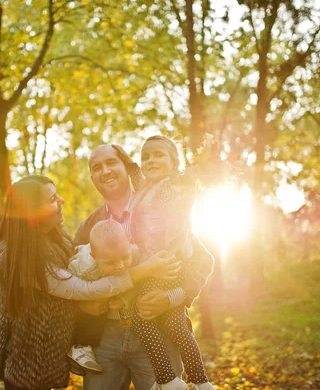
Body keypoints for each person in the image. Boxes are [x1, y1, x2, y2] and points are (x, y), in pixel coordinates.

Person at [0, 175, 180, 390]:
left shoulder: (55, 239)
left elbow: (70, 287)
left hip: (46, 356)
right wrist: (145, 270)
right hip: (26, 362)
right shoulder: (20, 259)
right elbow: (82, 289)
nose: (62, 200)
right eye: (52, 199)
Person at [75, 145, 214, 390]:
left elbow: (202, 262)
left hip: (160, 329)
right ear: (92, 177)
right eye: (97, 167)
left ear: (126, 168)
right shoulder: (88, 228)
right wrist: (87, 304)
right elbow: (76, 283)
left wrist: (172, 297)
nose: (105, 171)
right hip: (105, 338)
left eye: (112, 163)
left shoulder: (161, 208)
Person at [131, 135, 214, 390]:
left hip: (165, 264)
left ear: (173, 162)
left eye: (158, 155)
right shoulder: (146, 189)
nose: (150, 160)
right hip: (164, 263)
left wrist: (203, 160)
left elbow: (175, 218)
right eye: (145, 156)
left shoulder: (171, 188)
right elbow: (134, 173)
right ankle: (200, 382)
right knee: (176, 325)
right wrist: (124, 158)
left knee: (141, 319)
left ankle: (168, 381)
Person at [67, 220, 139, 372]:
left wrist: (124, 299)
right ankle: (80, 345)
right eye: (110, 263)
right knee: (93, 308)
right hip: (87, 282)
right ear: (95, 257)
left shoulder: (134, 253)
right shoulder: (84, 269)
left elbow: (137, 282)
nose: (120, 266)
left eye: (125, 258)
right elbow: (70, 289)